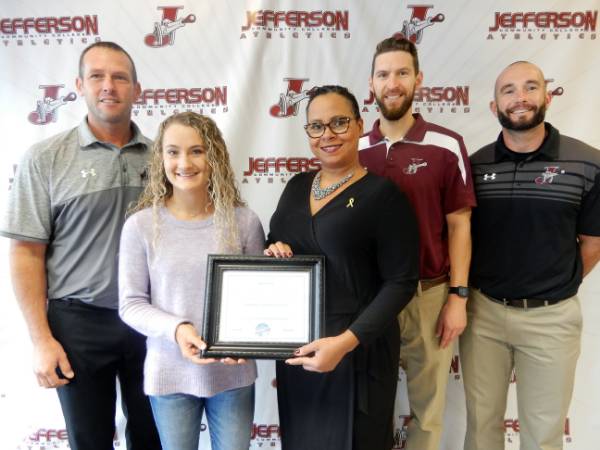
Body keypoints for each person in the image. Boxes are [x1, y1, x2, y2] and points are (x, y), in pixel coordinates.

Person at [0, 42, 160, 450]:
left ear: (137, 89)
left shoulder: (165, 158)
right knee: (89, 441)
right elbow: (25, 253)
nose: (109, 86)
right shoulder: (46, 158)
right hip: (78, 325)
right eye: (97, 77)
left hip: (151, 319)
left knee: (153, 438)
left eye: (120, 77)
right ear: (79, 86)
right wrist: (41, 340)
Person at [266, 85, 419, 450]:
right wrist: (274, 249)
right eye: (316, 126)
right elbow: (272, 242)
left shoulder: (384, 196)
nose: (328, 135)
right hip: (300, 347)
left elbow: (401, 282)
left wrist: (346, 343)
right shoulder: (296, 186)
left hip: (358, 350)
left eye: (339, 122)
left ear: (359, 125)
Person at [461, 61, 600, 450]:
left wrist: (553, 284)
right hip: (483, 315)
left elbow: (593, 242)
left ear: (546, 96)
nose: (520, 98)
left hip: (552, 319)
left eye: (530, 87)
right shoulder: (474, 165)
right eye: (508, 90)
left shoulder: (587, 163)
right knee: (481, 427)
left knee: (543, 435)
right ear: (494, 106)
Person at [118, 112, 265, 450]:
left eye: (197, 151)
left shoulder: (244, 222)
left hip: (232, 376)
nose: (184, 162)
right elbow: (131, 304)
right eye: (173, 151)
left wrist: (247, 341)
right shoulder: (140, 226)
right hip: (169, 374)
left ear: (214, 157)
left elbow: (257, 297)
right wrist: (178, 329)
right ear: (160, 159)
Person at [358, 35, 476, 450]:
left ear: (418, 79)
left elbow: (460, 225)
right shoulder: (353, 149)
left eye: (402, 73)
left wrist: (457, 297)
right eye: (384, 74)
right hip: (368, 299)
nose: (393, 83)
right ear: (370, 83)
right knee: (372, 407)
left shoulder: (446, 145)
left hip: (429, 295)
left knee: (428, 412)